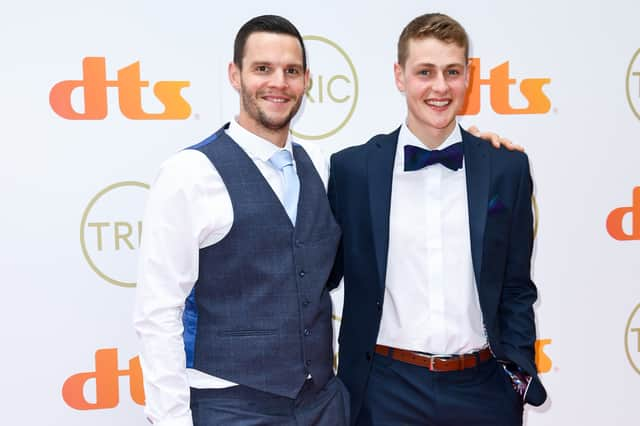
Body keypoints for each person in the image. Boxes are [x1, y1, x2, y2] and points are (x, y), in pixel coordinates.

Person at [328, 13, 547, 425]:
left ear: (469, 76)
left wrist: (515, 375)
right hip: (383, 391)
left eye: (452, 72)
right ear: (400, 75)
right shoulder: (352, 172)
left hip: (484, 390)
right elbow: (321, 275)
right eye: (425, 72)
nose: (440, 87)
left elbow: (517, 287)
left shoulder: (506, 170)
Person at [133, 15, 349, 426]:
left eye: (291, 71)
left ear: (307, 80)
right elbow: (158, 312)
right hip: (228, 406)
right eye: (262, 69)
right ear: (235, 75)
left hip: (321, 402)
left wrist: (478, 150)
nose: (278, 83)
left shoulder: (320, 166)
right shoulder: (189, 174)